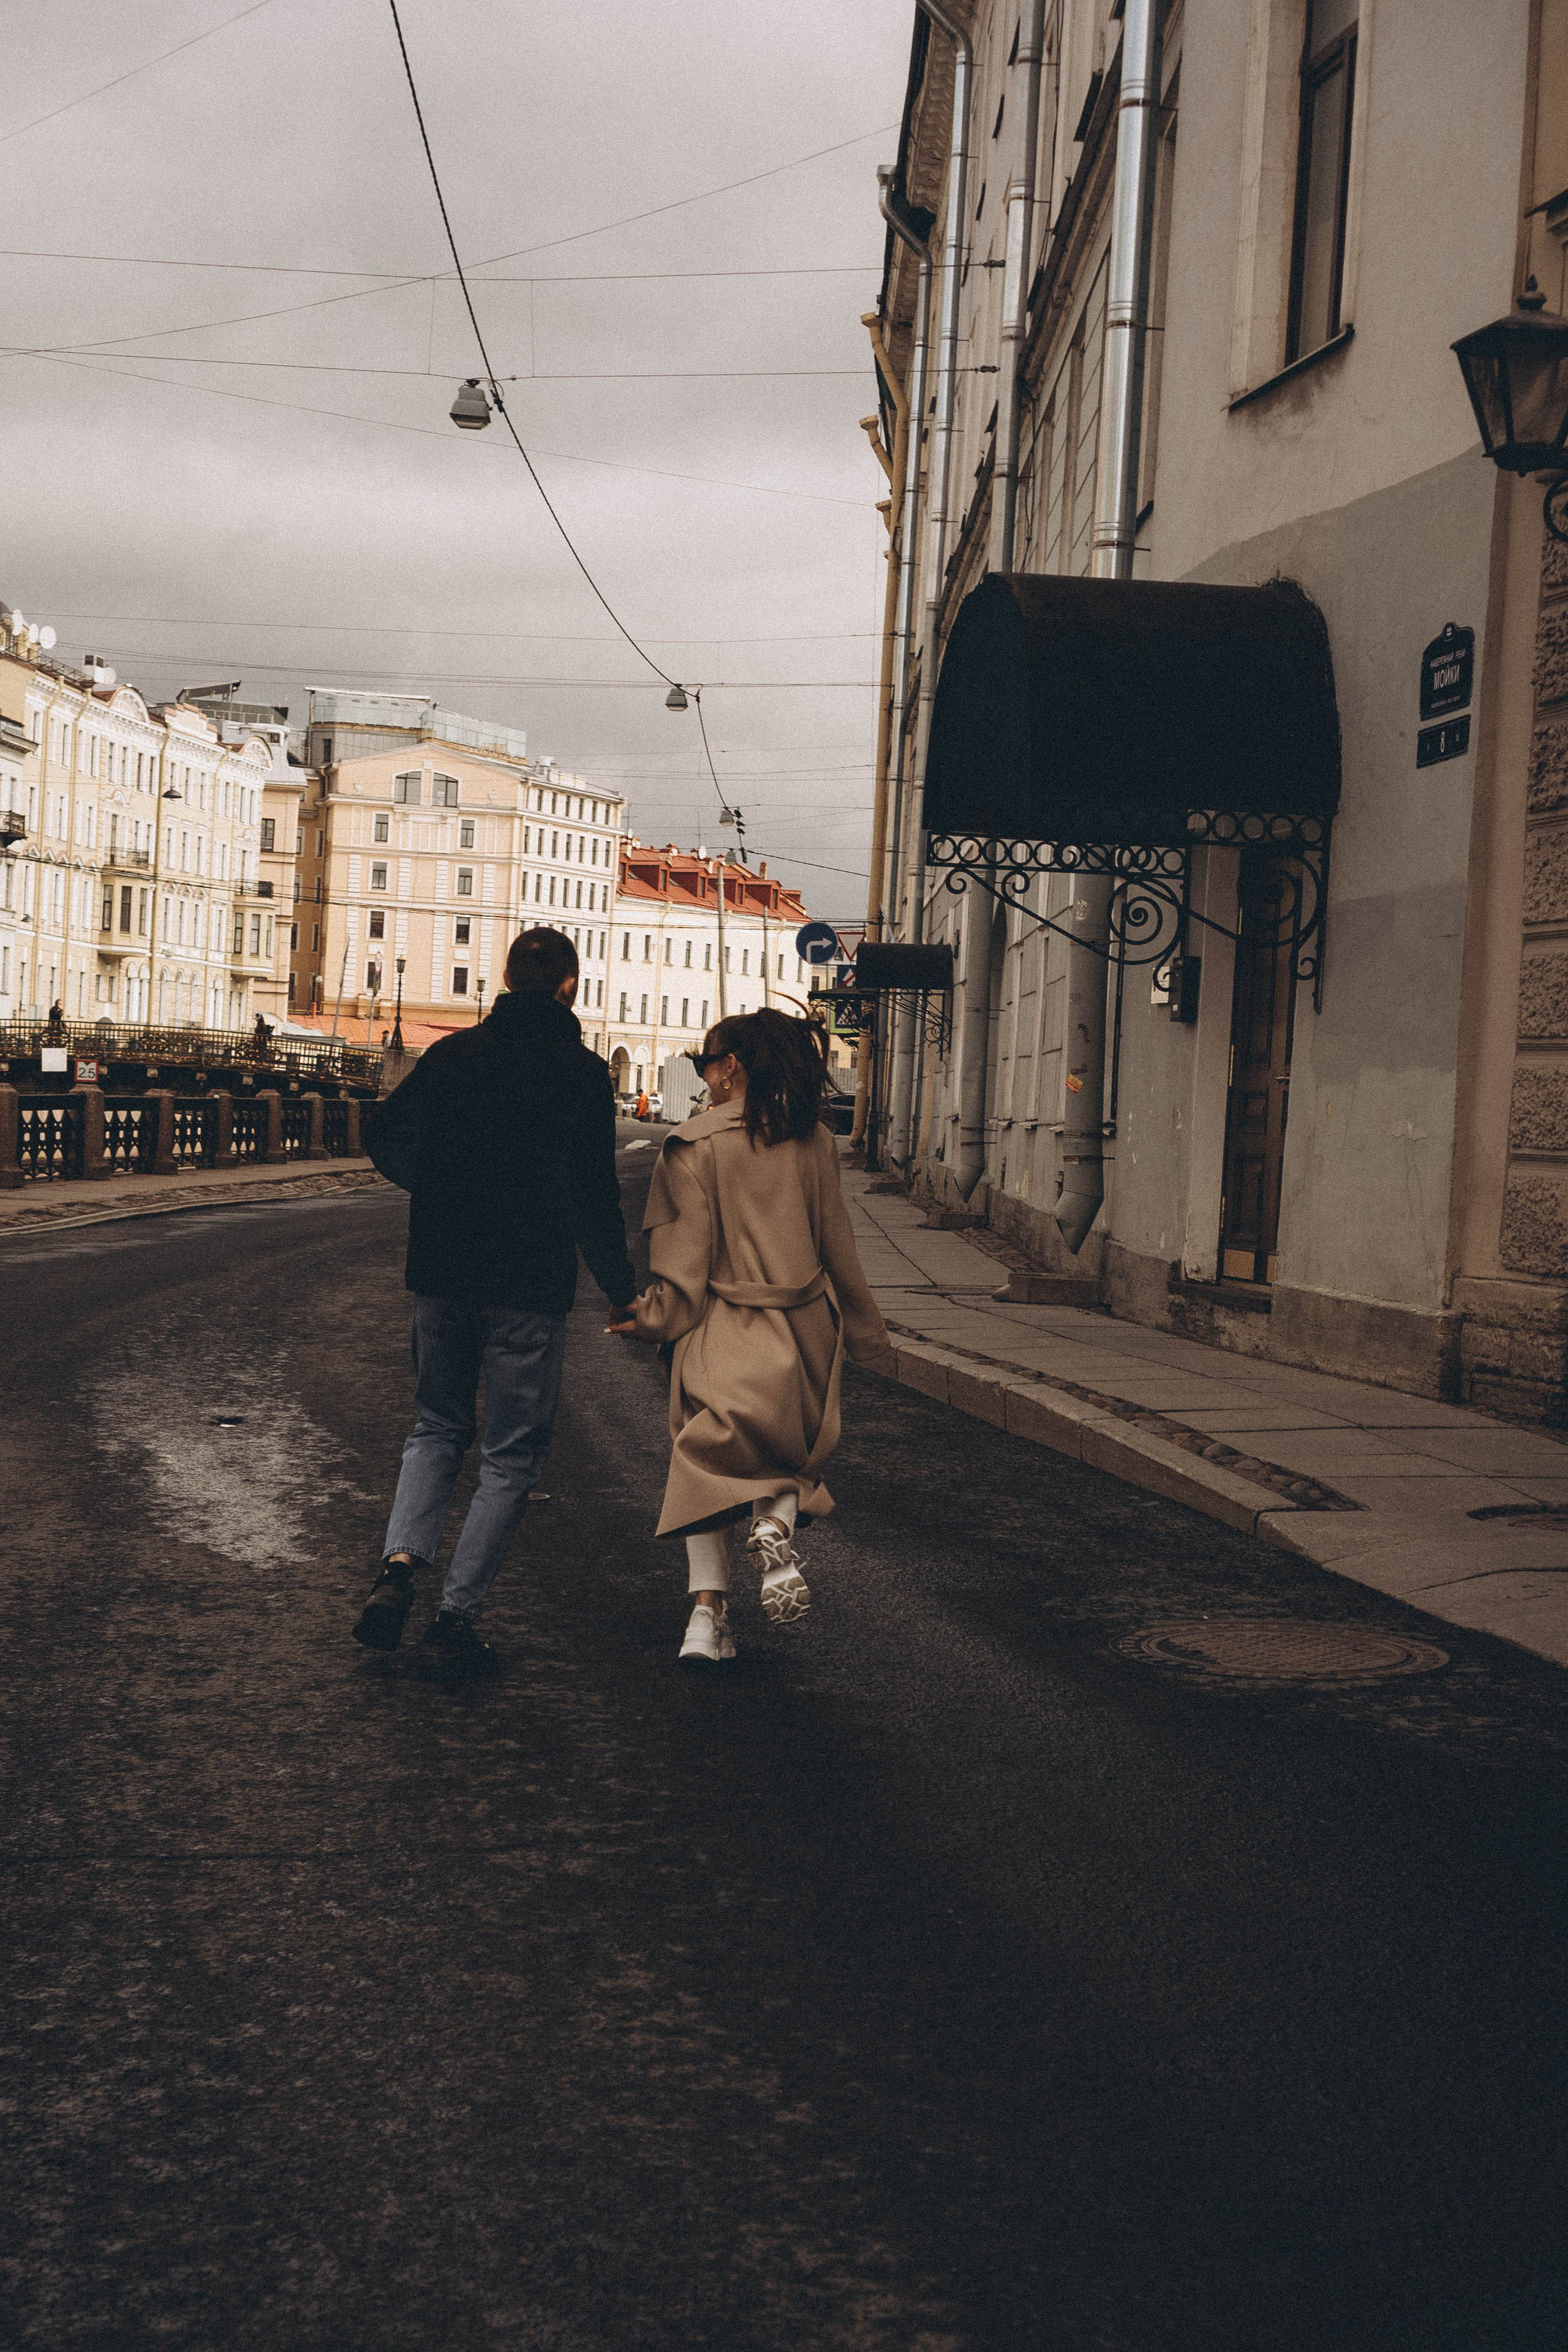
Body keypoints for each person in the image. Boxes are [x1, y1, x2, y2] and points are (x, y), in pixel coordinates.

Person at [356, 925, 638, 1678]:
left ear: (506, 981)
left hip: (442, 1275)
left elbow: (382, 1133)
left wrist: (442, 1189)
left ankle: (399, 1565)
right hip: (527, 1287)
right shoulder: (580, 1075)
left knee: (436, 1427)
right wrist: (622, 1291)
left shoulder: (451, 1055)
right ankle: (455, 1618)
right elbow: (594, 1197)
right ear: (569, 987)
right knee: (510, 1457)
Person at [609, 1008, 893, 1667]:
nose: (703, 1078)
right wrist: (865, 1332)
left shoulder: (693, 1145)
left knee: (704, 1465)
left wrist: (642, 1319)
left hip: (722, 1327)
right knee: (785, 1456)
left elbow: (683, 1272)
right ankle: (775, 1525)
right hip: (803, 1329)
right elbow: (838, 1248)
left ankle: (703, 1623)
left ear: (731, 1065)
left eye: (705, 1063)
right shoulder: (815, 1142)